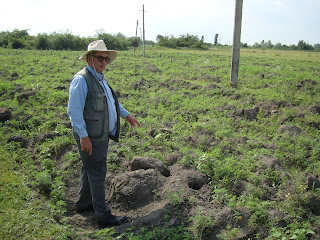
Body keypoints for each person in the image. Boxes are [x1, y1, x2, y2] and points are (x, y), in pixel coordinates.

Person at [67, 40, 140, 227]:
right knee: (98, 172)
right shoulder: (82, 79)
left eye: (106, 59)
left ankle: (84, 204)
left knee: (89, 168)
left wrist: (127, 116)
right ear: (90, 58)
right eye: (100, 58)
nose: (104, 62)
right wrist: (84, 137)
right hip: (91, 136)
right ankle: (103, 216)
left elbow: (111, 102)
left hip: (98, 134)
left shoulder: (99, 78)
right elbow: (74, 111)